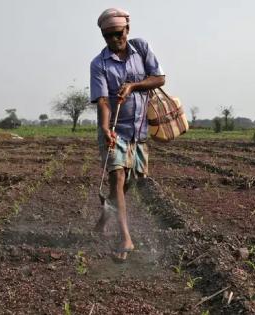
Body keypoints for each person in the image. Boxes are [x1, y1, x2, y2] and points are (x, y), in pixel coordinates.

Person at [90, 8, 165, 261]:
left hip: (139, 131)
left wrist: (133, 85)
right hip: (115, 131)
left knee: (128, 183)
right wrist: (104, 128)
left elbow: (159, 78)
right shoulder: (98, 64)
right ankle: (125, 238)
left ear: (127, 30)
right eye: (108, 36)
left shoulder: (141, 49)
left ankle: (103, 220)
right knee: (118, 178)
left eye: (117, 34)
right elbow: (103, 100)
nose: (113, 40)